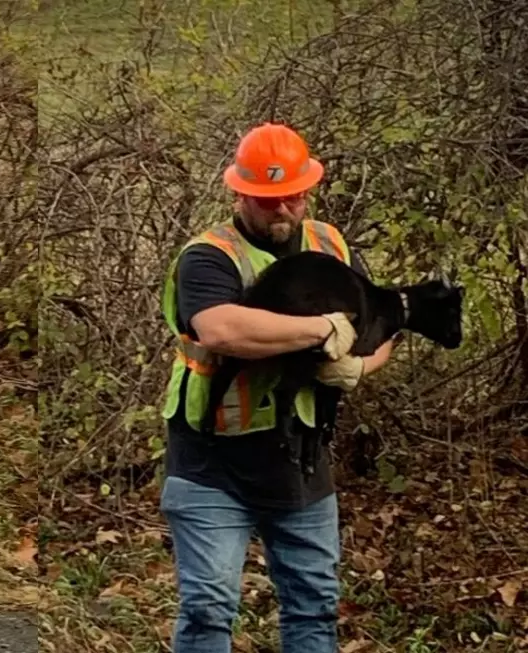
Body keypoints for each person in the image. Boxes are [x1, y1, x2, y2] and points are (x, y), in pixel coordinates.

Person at [158, 122, 396, 653]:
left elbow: (383, 323)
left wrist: (362, 365)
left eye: (293, 197)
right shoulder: (208, 257)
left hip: (300, 462)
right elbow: (221, 328)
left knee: (314, 605)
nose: (284, 211)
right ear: (240, 193)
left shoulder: (331, 244)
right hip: (211, 464)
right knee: (208, 609)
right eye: (269, 202)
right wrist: (322, 330)